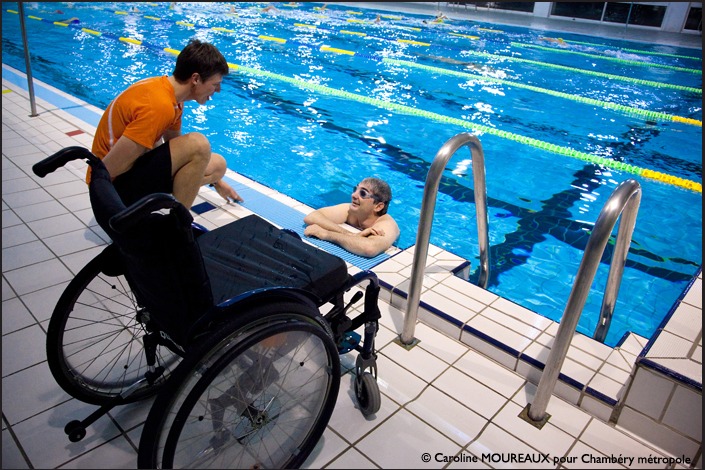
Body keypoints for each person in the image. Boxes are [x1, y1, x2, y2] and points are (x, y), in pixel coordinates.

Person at [90, 39, 242, 209]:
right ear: (196, 79)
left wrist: (217, 183)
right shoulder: (158, 105)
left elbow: (173, 148)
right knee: (199, 144)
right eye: (215, 84)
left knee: (217, 166)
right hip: (108, 191)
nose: (218, 90)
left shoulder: (173, 97)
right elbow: (108, 168)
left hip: (121, 181)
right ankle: (178, 224)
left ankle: (174, 213)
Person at [304, 178, 399, 258]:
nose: (353, 195)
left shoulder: (386, 225)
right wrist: (350, 234)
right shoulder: (351, 210)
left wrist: (326, 234)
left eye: (363, 193)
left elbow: (369, 248)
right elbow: (312, 217)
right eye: (355, 189)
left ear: (378, 206)